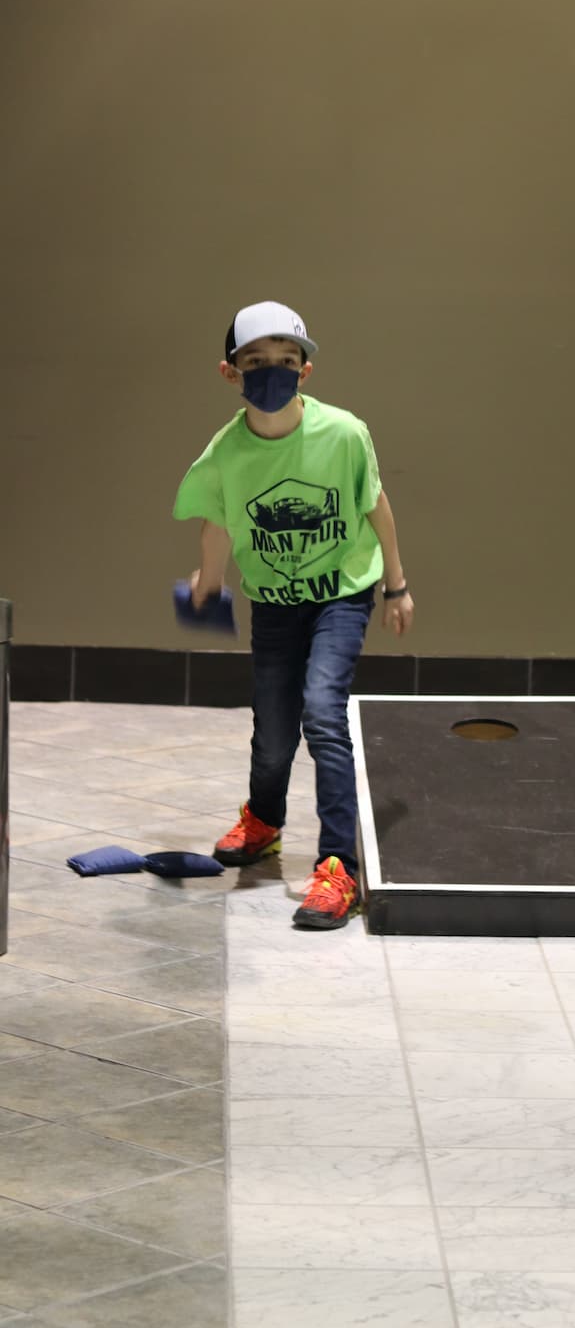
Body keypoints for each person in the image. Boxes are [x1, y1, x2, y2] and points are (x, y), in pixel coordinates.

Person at [173, 300, 414, 926]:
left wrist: (397, 585)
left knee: (322, 713)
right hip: (276, 604)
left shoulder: (343, 432)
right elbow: (218, 523)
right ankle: (264, 821)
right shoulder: (227, 451)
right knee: (274, 731)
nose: (272, 371)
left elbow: (375, 506)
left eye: (285, 360)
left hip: (341, 595)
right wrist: (209, 581)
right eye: (256, 362)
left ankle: (339, 868)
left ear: (305, 369)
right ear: (231, 373)